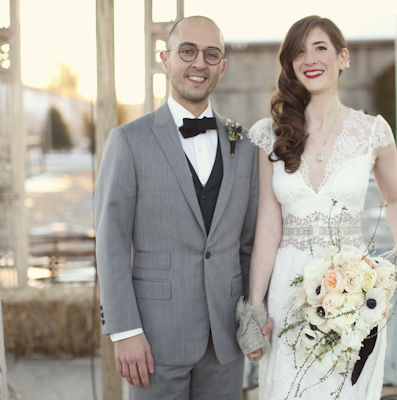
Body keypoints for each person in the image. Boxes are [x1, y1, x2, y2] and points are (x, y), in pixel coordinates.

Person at [240, 16, 397, 399]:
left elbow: (395, 198)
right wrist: (255, 307)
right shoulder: (269, 134)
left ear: (344, 58)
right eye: (298, 52)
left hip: (354, 287)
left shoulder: (373, 131)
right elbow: (267, 227)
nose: (309, 58)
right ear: (290, 65)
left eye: (320, 47)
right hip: (288, 289)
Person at [95, 16, 270, 400]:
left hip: (225, 342)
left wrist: (253, 318)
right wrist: (125, 331)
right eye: (187, 51)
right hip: (154, 341)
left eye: (211, 54)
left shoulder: (245, 147)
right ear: (165, 59)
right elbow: (111, 241)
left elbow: (249, 242)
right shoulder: (128, 141)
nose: (199, 63)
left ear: (222, 66)